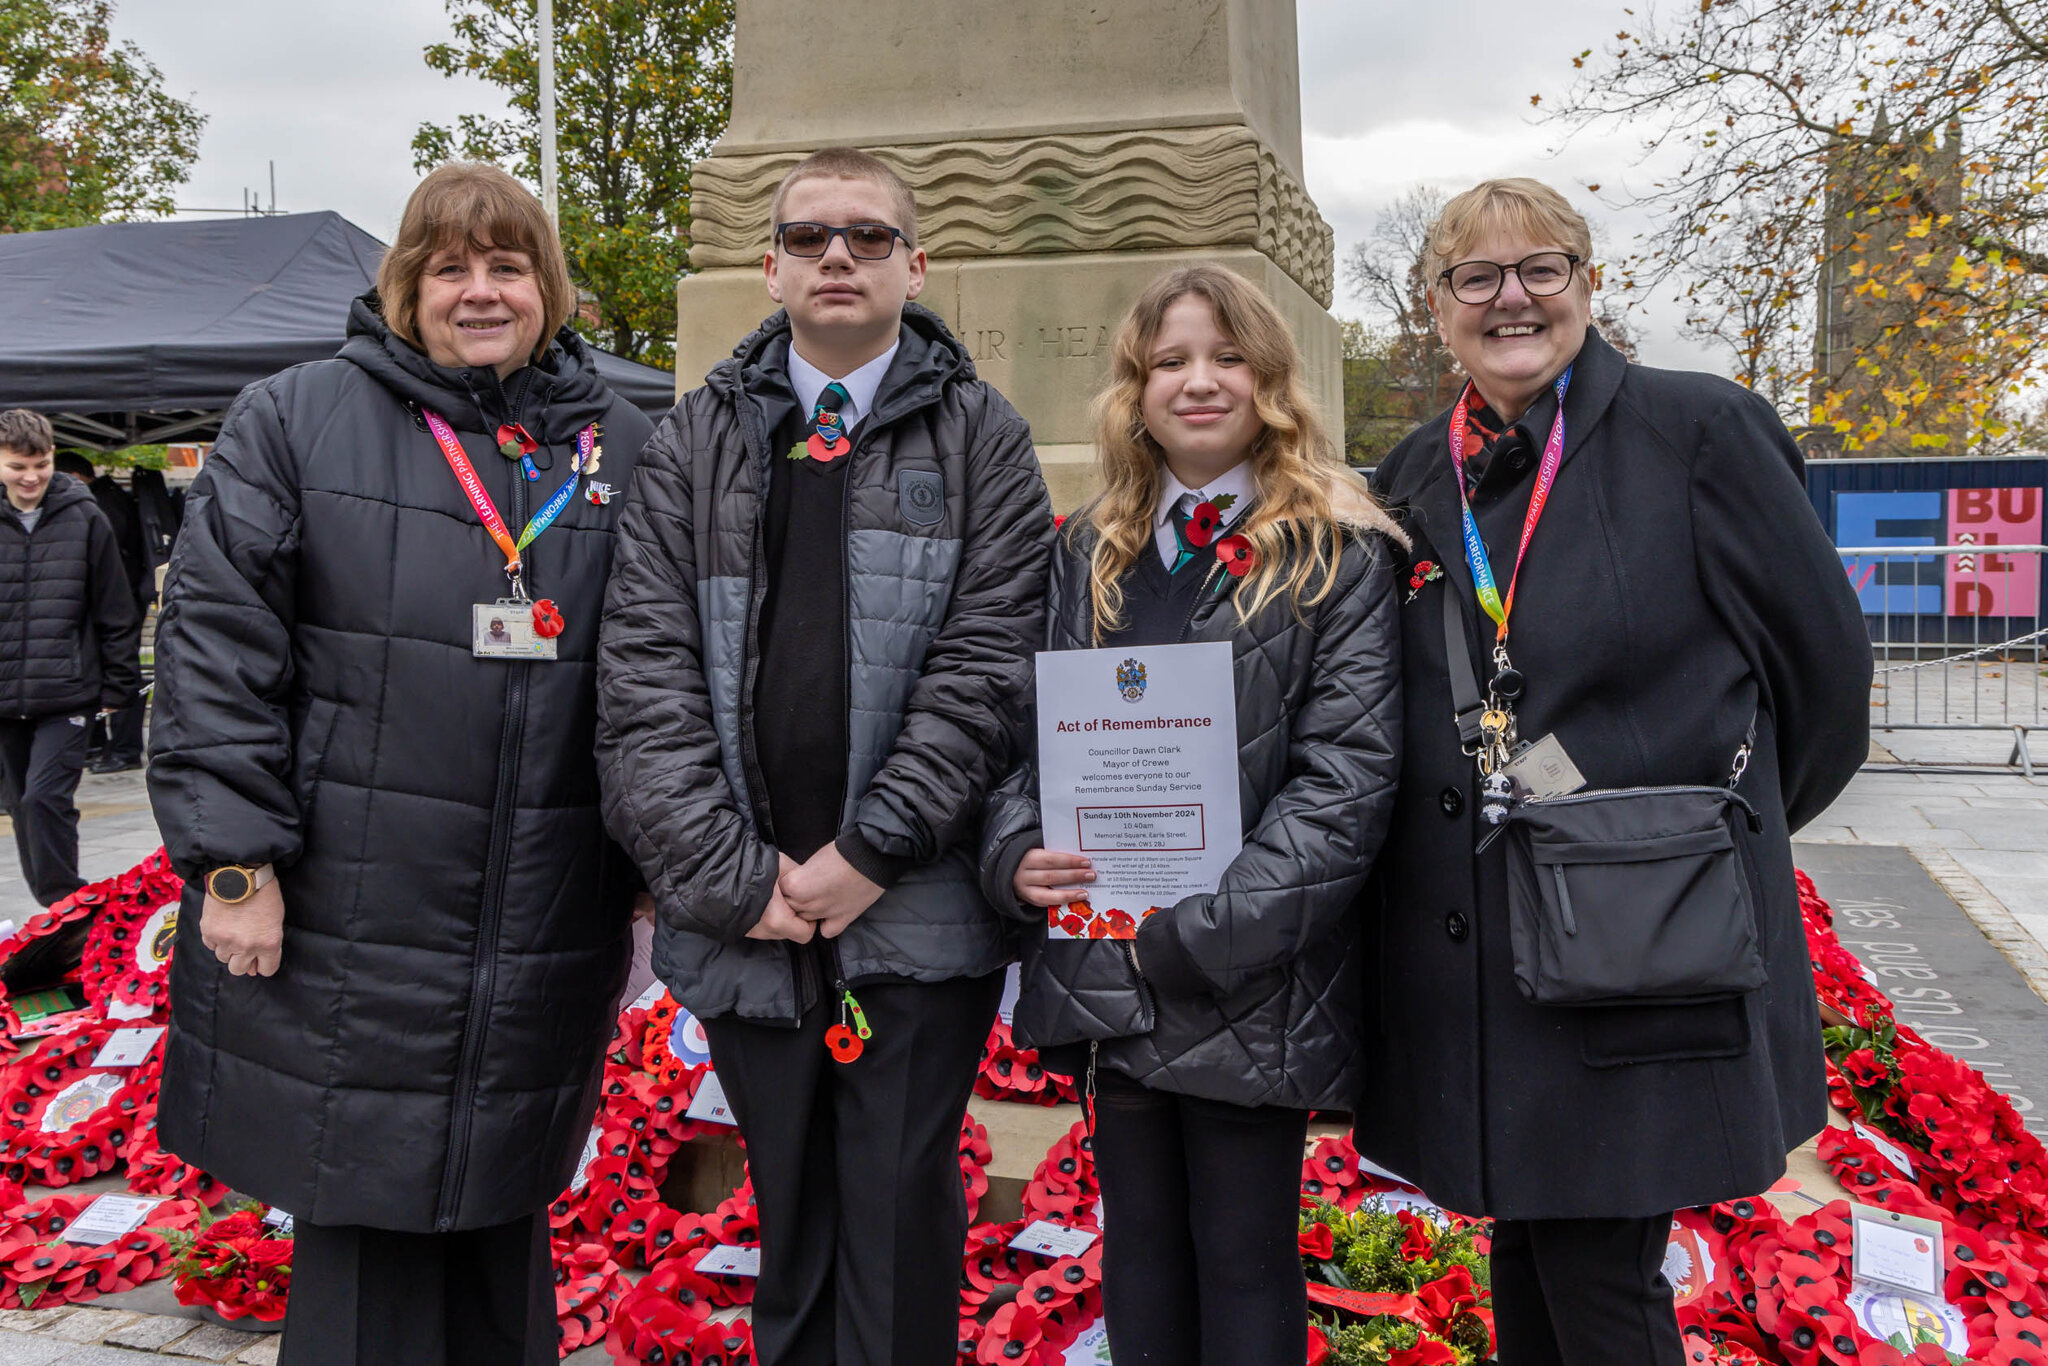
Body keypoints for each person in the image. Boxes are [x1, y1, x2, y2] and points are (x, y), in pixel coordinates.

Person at [146, 162, 655, 1366]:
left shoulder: (621, 443)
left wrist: (649, 874)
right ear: (407, 287)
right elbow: (217, 651)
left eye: (507, 266)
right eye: (450, 269)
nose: (481, 292)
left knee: (499, 1216)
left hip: (539, 911)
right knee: (365, 1224)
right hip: (347, 909)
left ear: (549, 286)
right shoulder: (296, 418)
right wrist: (233, 864)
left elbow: (660, 676)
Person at [1355, 178, 1871, 1366]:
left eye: (1541, 268)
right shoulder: (1406, 478)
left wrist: (1703, 836)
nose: (1511, 299)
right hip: (1482, 945)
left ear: (1588, 284)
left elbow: (1824, 683)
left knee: (1598, 1272)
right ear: (1434, 308)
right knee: (1533, 1246)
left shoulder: (1698, 431)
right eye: (1474, 277)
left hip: (1634, 933)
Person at [597, 146, 1052, 1366]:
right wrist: (734, 878)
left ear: (917, 262)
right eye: (807, 237)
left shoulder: (982, 438)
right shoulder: (691, 440)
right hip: (744, 916)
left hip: (918, 912)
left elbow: (989, 671)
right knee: (788, 1222)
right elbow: (642, 680)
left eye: (863, 235)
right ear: (769, 267)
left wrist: (871, 850)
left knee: (901, 1216)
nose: (835, 256)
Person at [979, 264, 1405, 1366]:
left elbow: (1343, 782)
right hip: (1104, 966)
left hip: (1246, 975)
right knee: (1140, 1256)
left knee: (1242, 1258)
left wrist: (1203, 932)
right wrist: (1016, 852)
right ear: (1135, 388)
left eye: (1225, 357)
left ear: (1268, 381)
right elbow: (1025, 738)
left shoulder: (1338, 550)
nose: (1198, 381)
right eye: (1170, 360)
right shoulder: (1086, 547)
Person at [0, 410, 142, 906]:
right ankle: (52, 911)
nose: (31, 476)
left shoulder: (85, 516)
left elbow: (114, 606)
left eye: (40, 463)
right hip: (7, 697)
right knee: (21, 806)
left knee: (45, 798)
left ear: (53, 457)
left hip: (68, 692)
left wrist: (118, 686)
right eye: (18, 466)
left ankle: (68, 906)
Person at [52, 452, 152, 773]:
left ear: (77, 477)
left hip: (114, 606)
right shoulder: (99, 503)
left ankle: (122, 749)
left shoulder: (99, 507)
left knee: (122, 675)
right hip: (106, 607)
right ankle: (103, 746)